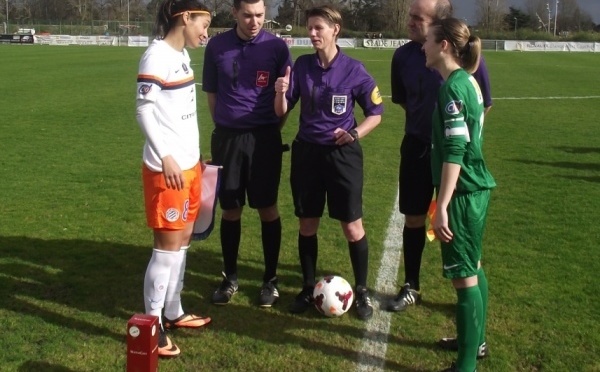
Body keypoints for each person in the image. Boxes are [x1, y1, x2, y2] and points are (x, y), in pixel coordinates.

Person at [274, 5, 384, 321]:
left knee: (352, 226)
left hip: (342, 156)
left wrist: (354, 133)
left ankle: (361, 291)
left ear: (335, 29)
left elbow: (376, 112)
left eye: (318, 28)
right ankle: (309, 288)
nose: (312, 34)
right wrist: (280, 92)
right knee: (307, 223)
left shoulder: (354, 69)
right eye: (309, 28)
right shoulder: (302, 66)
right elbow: (282, 110)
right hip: (307, 154)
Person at [387, 0, 492, 322]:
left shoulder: (462, 61)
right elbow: (404, 101)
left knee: (457, 228)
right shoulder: (403, 56)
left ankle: (467, 291)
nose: (411, 21)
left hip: (452, 157)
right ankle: (411, 285)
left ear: (438, 24)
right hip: (417, 148)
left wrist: (453, 142)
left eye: (419, 17)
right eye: (411, 15)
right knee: (414, 217)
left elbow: (482, 103)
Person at [202, 0, 292, 308]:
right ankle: (230, 278)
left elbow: (285, 100)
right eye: (247, 15)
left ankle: (270, 280)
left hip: (265, 139)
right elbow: (212, 95)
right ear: (235, 14)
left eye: (260, 15)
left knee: (267, 207)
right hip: (227, 139)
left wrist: (268, 129)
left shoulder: (277, 48)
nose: (254, 21)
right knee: (231, 209)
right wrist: (227, 127)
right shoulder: (216, 47)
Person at [136, 0, 212, 358]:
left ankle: (174, 310)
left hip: (188, 167)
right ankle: (151, 327)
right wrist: (166, 155)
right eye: (203, 24)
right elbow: (144, 109)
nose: (206, 32)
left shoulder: (182, 56)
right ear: (185, 18)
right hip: (167, 170)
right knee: (165, 250)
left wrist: (193, 157)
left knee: (182, 243)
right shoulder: (157, 56)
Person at [422, 17, 496, 372]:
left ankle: (466, 364)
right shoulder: (468, 80)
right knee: (474, 266)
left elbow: (455, 148)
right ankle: (475, 342)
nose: (423, 46)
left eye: (428, 41)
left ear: (444, 46)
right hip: (474, 187)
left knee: (463, 275)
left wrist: (444, 204)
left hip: (464, 192)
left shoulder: (453, 87)